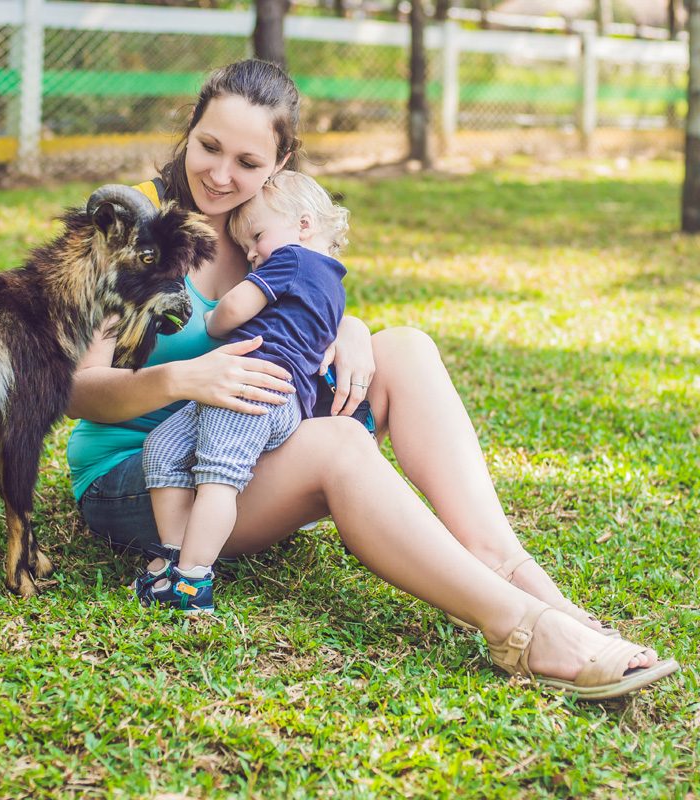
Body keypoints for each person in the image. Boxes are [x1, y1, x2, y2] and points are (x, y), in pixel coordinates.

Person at [65, 59, 677, 698]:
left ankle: (513, 570)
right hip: (144, 478)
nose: (220, 176)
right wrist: (184, 379)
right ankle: (523, 632)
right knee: (340, 445)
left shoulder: (275, 224)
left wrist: (346, 329)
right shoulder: (130, 227)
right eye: (209, 147)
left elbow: (301, 311)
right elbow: (78, 389)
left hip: (249, 442)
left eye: (247, 162)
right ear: (189, 130)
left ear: (280, 164)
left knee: (405, 348)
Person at [137, 170, 350, 613]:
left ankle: (192, 582)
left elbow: (231, 309)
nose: (253, 255)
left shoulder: (292, 259)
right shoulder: (333, 285)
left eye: (256, 237)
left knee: (217, 478)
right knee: (161, 447)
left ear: (303, 225)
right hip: (257, 391)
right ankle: (174, 557)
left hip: (253, 385)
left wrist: (210, 322)